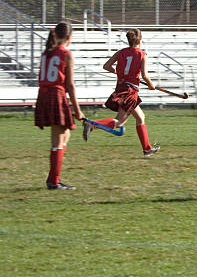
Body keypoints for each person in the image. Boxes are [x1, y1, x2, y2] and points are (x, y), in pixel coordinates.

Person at [83, 28, 160, 156]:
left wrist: (119, 73)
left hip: (121, 87)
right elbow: (145, 75)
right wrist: (151, 85)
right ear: (140, 41)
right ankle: (92, 125)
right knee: (119, 122)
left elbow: (106, 66)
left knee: (140, 117)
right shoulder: (142, 54)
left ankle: (147, 148)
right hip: (130, 91)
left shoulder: (121, 52)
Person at [35, 22, 84, 190]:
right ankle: (54, 182)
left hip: (44, 94)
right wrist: (78, 110)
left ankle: (52, 177)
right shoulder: (66, 54)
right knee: (58, 139)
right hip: (56, 94)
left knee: (65, 135)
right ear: (69, 37)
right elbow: (70, 85)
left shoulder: (46, 53)